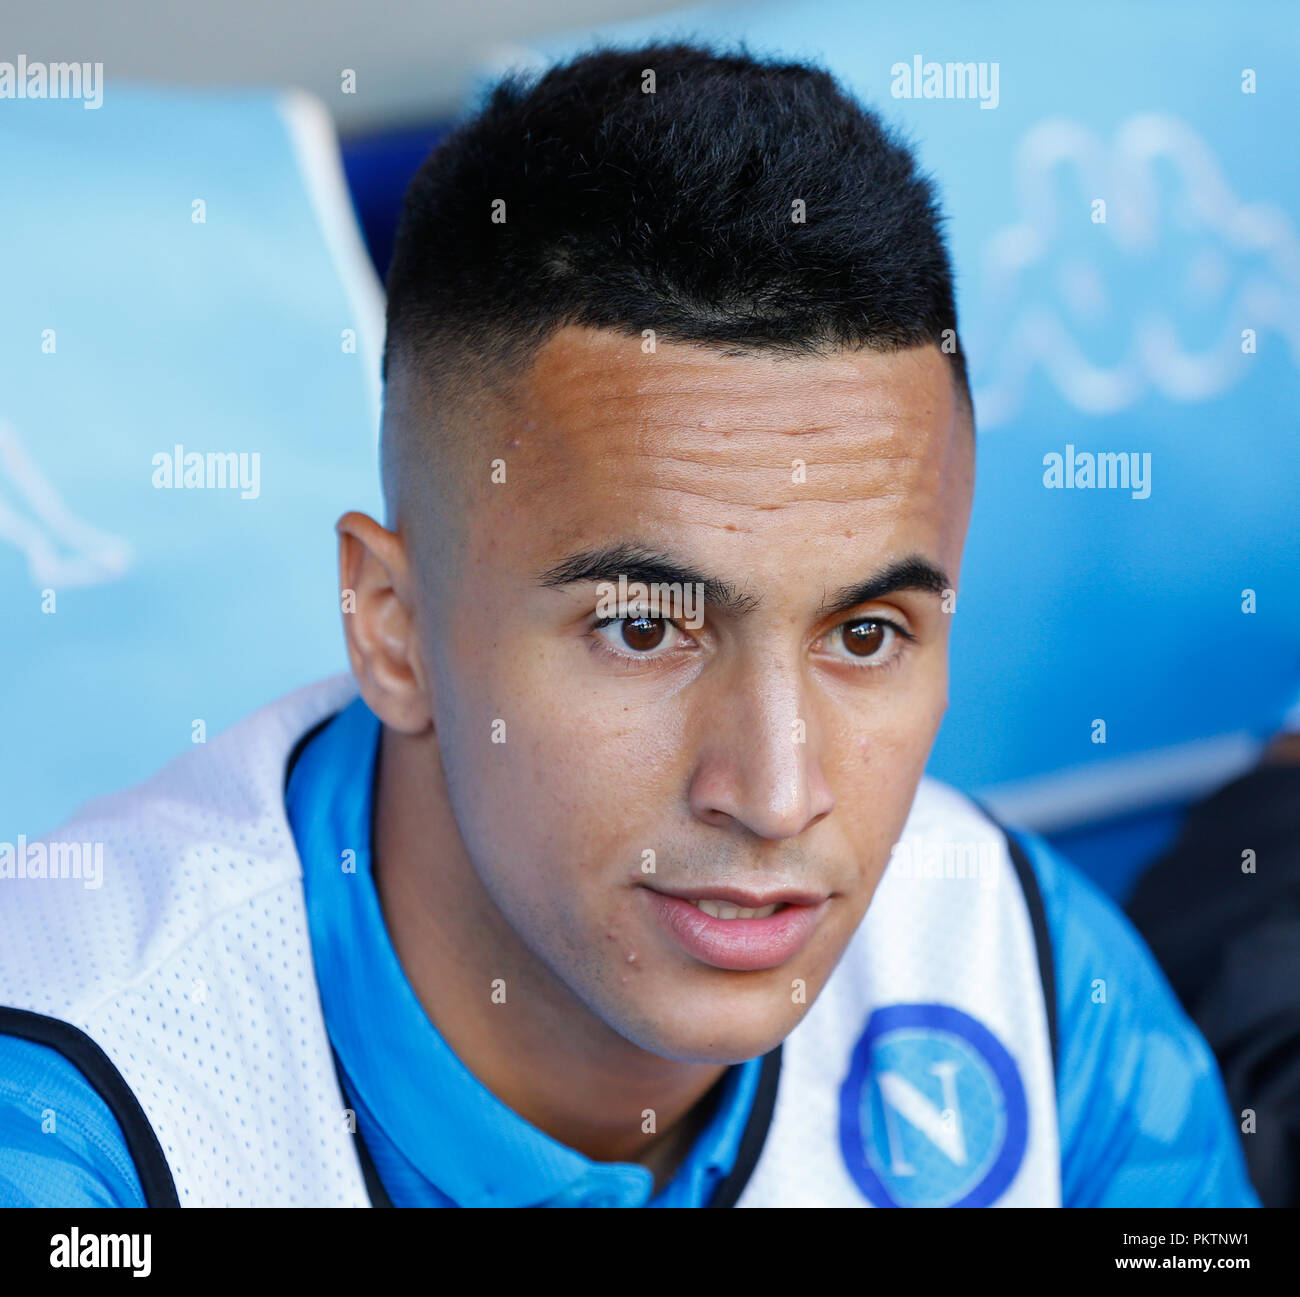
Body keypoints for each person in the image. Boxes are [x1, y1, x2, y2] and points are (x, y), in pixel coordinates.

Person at [0, 40, 1260, 1208]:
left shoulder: (1040, 1001)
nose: (774, 794)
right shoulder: (70, 1119)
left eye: (864, 636)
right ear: (393, 629)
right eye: (645, 631)